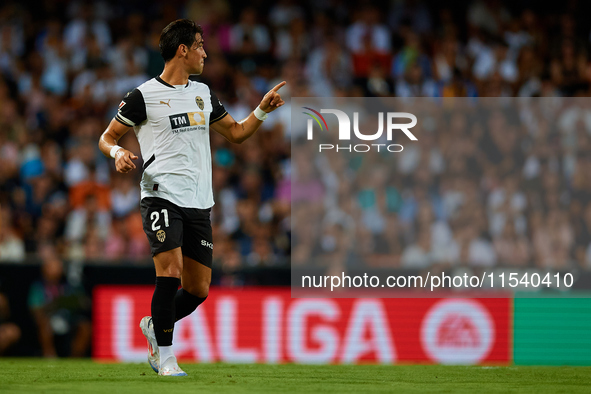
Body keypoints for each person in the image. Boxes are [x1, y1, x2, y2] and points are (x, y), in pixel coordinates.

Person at [98, 19, 285, 376]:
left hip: (199, 201)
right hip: (160, 194)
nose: (205, 52)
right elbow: (107, 136)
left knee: (198, 289)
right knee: (170, 271)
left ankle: (155, 326)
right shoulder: (143, 96)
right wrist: (117, 153)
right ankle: (166, 358)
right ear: (182, 49)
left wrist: (261, 110)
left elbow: (236, 133)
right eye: (200, 45)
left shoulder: (202, 92)